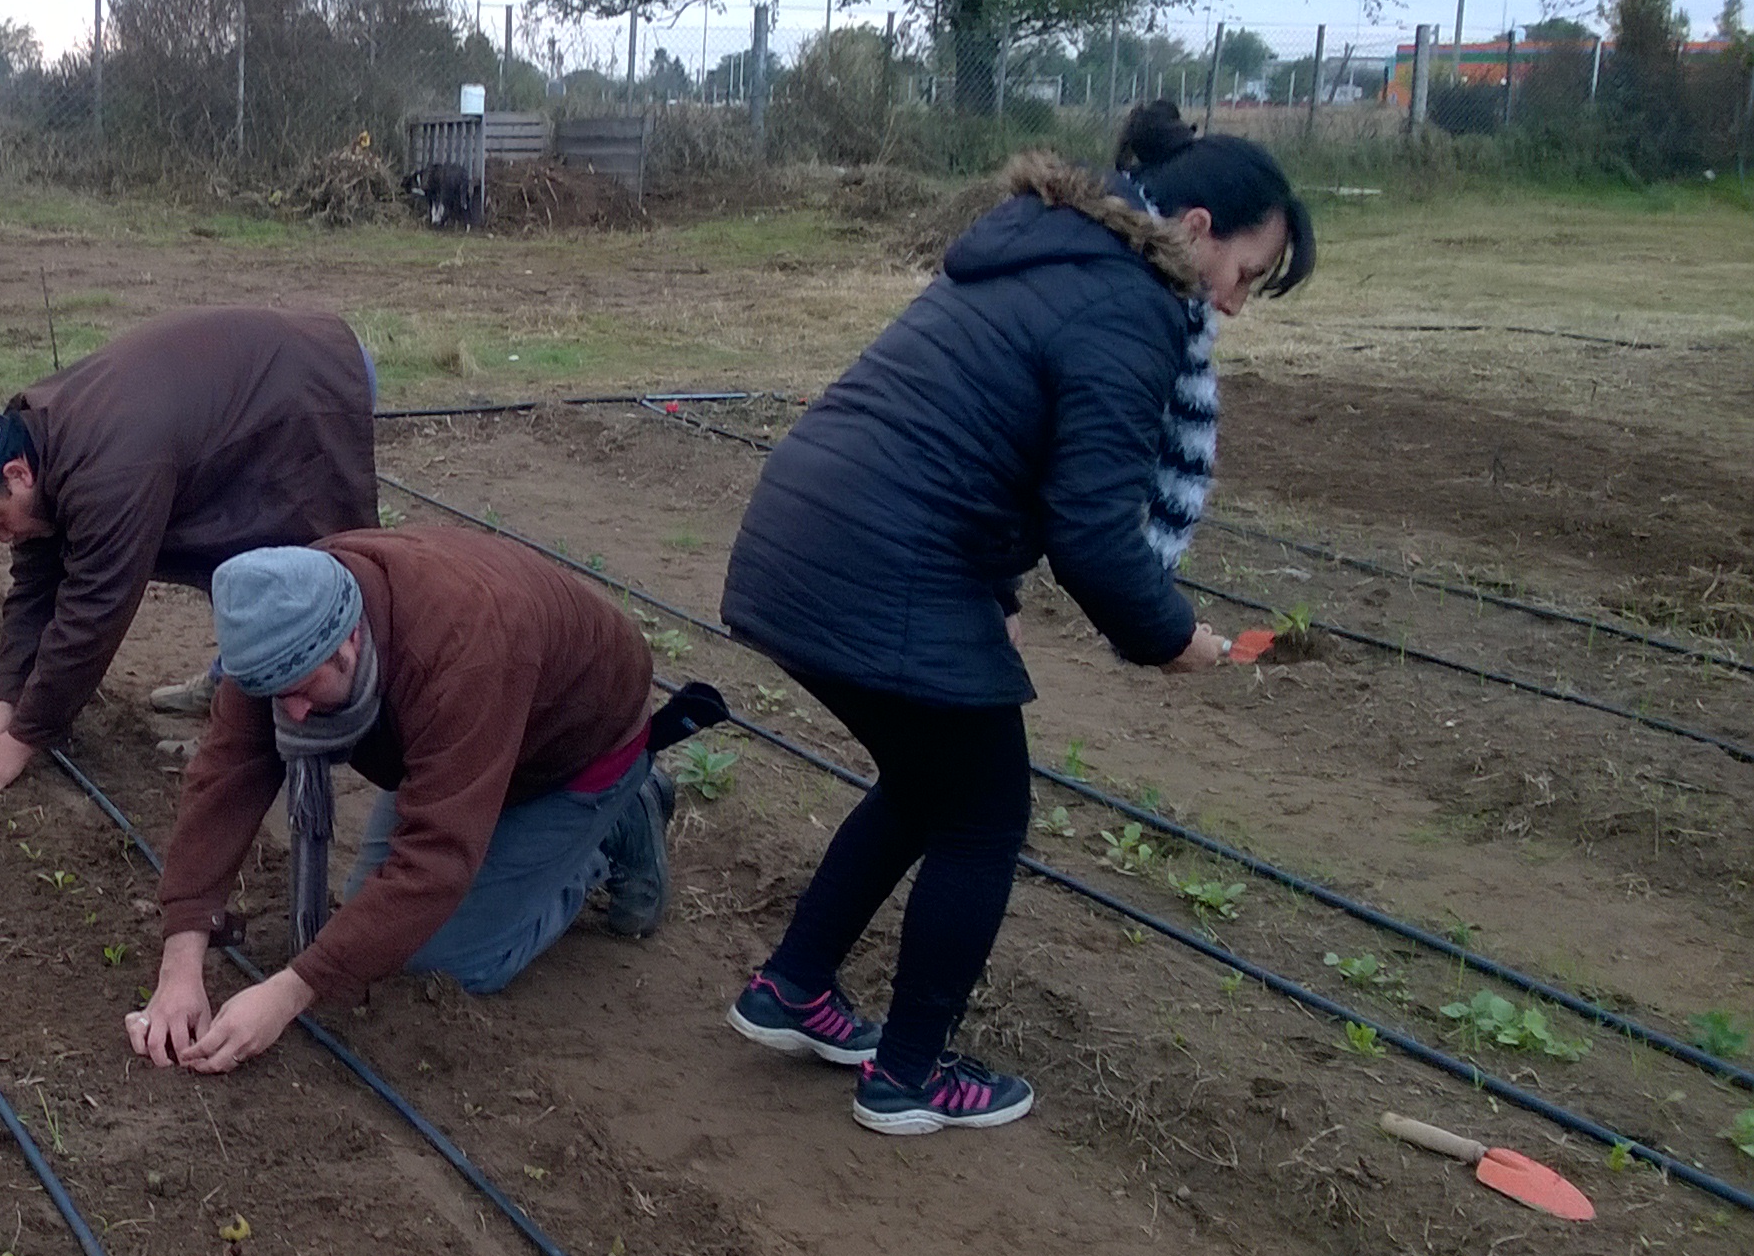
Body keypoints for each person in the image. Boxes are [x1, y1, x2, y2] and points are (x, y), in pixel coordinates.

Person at [718, 103, 1313, 1136]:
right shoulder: (1129, 301)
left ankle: (793, 990)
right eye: (1248, 277)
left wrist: (990, 600)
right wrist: (1169, 633)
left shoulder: (1049, 251)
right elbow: (1088, 528)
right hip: (879, 558)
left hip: (809, 532)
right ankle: (908, 1076)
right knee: (985, 812)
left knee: (927, 781)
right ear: (1201, 228)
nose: (1238, 306)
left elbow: (979, 434)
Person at [127, 532, 673, 1075]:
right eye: (275, 694)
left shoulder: (463, 652)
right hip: (456, 745)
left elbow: (437, 858)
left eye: (301, 688)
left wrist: (288, 993)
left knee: (441, 960)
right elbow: (225, 778)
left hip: (572, 750)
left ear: (347, 643)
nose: (291, 714)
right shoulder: (280, 617)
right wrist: (180, 967)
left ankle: (610, 829)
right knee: (378, 921)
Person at [0, 305, 377, 796]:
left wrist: (23, 739)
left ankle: (305, 721)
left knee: (299, 564)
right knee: (235, 556)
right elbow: (35, 585)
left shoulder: (107, 474)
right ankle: (235, 682)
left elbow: (92, 613)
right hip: (240, 392)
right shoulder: (39, 439)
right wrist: (5, 699)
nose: (3, 537)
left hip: (306, 387)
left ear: (17, 474)